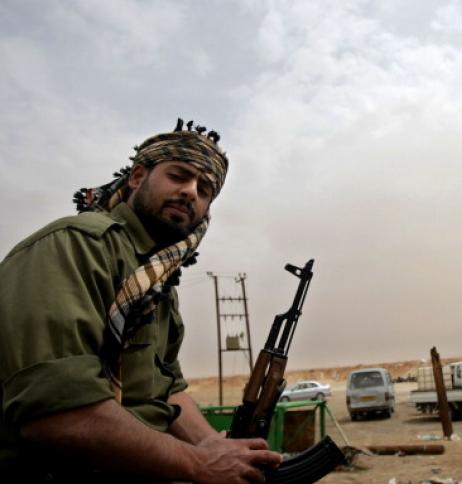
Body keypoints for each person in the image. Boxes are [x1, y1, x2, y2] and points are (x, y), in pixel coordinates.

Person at [0, 119, 282, 482]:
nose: (191, 192)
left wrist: (216, 446)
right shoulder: (77, 245)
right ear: (136, 177)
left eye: (205, 189)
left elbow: (167, 390)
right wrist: (198, 463)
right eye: (178, 176)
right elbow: (59, 415)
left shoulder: (157, 281)